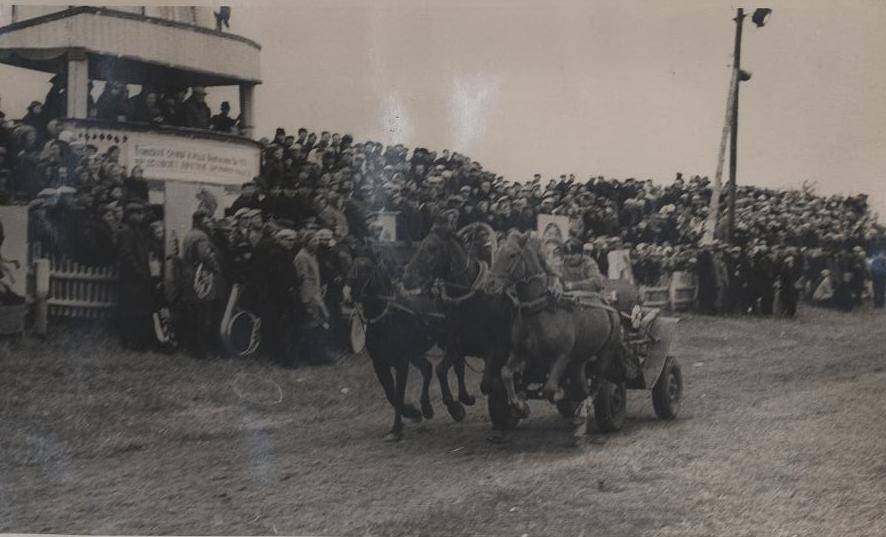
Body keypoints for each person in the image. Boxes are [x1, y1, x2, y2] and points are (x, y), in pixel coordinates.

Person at [180, 210, 224, 359]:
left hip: (189, 276)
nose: (210, 223)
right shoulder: (201, 236)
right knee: (204, 315)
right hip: (201, 278)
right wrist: (216, 268)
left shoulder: (189, 234)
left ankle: (192, 347)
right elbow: (205, 255)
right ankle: (202, 350)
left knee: (194, 313)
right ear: (201, 221)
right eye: (207, 220)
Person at [115, 202, 154, 350]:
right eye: (138, 214)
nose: (141, 217)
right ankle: (128, 341)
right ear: (130, 215)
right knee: (131, 311)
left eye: (141, 214)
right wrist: (139, 271)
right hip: (131, 278)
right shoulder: (126, 231)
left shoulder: (136, 230)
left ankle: (136, 341)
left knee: (137, 310)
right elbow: (126, 255)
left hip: (137, 278)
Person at [293, 230, 332, 365]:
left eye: (317, 240)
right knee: (312, 325)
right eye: (313, 241)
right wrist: (311, 298)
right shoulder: (301, 257)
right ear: (306, 242)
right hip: (309, 296)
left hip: (316, 293)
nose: (316, 243)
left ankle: (320, 355)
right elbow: (303, 279)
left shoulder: (313, 255)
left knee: (320, 324)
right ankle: (312, 357)